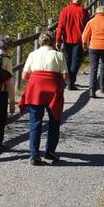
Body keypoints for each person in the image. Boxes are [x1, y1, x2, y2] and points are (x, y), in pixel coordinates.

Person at [18, 31, 68, 165]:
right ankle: (50, 151)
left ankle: (34, 155)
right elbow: (65, 77)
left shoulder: (33, 55)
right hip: (53, 91)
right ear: (52, 42)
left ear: (40, 42)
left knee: (35, 122)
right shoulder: (58, 55)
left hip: (36, 90)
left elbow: (24, 76)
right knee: (54, 121)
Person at [55, 0, 89, 90]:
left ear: (72, 0)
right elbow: (87, 27)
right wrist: (87, 41)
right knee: (76, 61)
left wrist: (58, 40)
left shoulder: (65, 10)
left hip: (67, 39)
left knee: (67, 60)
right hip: (79, 40)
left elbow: (60, 26)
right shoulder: (83, 11)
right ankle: (71, 82)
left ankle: (65, 81)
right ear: (80, 1)